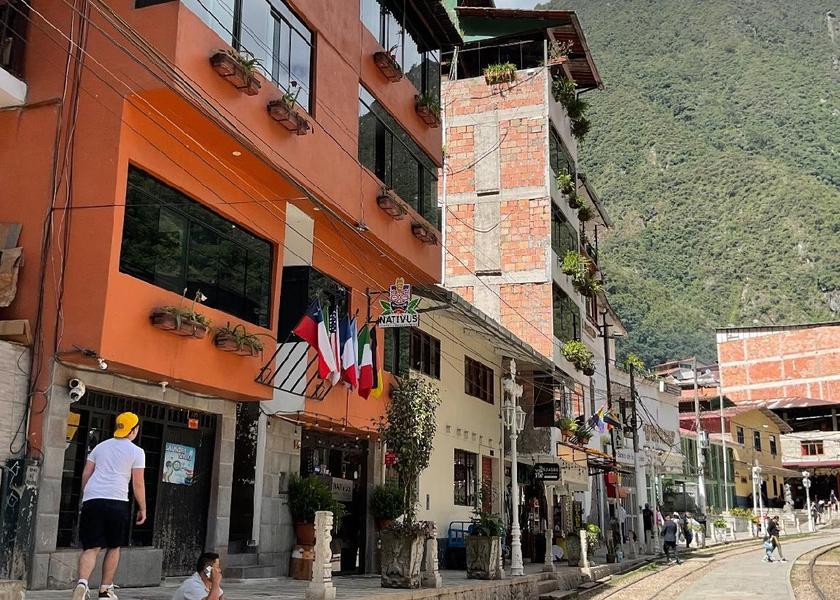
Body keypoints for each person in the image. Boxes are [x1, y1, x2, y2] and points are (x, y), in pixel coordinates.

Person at [72, 412, 146, 600]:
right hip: (117, 501)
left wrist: (86, 496)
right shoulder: (137, 452)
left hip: (93, 499)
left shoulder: (99, 447)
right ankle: (105, 590)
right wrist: (142, 508)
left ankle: (82, 583)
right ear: (133, 430)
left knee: (91, 547)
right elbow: (138, 483)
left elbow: (86, 474)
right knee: (114, 547)